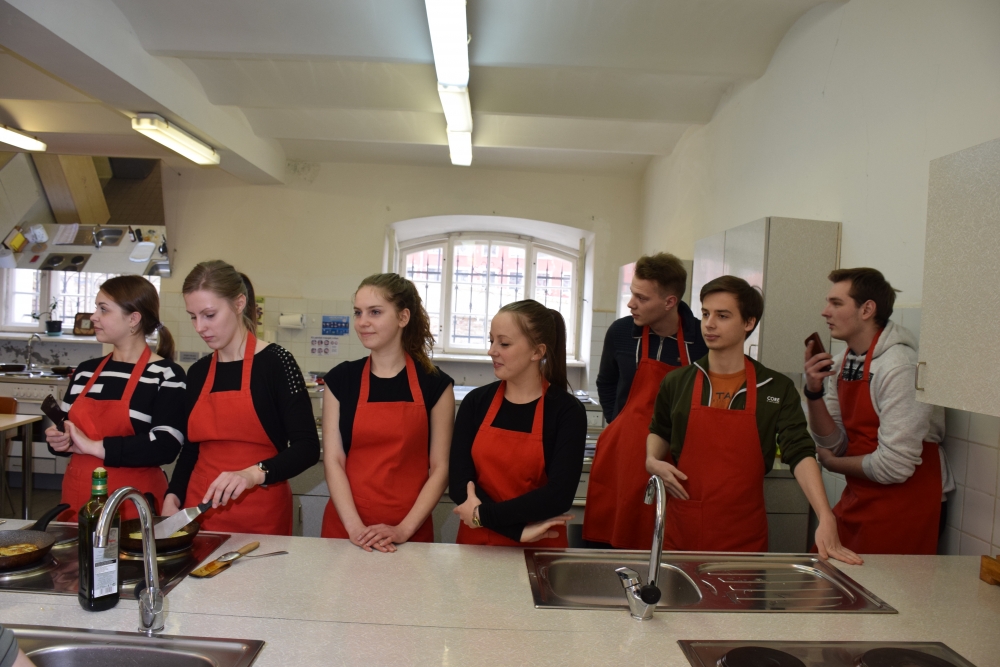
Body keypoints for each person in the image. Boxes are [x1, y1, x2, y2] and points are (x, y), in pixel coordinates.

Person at [646, 276, 861, 564]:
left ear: (749, 322)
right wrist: (651, 460)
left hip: (744, 535)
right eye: (706, 314)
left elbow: (799, 451)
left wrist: (825, 516)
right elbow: (659, 430)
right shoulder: (677, 382)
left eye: (723, 316)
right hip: (683, 530)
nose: (709, 324)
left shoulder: (775, 388)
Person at [162, 261, 319, 535]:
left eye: (209, 315)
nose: (199, 327)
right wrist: (173, 494)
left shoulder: (276, 363)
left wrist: (252, 474)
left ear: (239, 303)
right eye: (193, 316)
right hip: (201, 510)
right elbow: (191, 449)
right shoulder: (198, 372)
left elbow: (307, 447)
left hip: (261, 512)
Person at [804, 268, 950, 555]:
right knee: (823, 567)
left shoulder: (900, 367)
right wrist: (813, 392)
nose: (825, 311)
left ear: (867, 309)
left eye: (836, 303)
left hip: (905, 506)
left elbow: (894, 466)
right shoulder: (842, 362)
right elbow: (834, 443)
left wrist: (832, 464)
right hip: (861, 494)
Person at [321, 273, 455, 551]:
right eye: (358, 312)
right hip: (346, 528)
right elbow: (333, 459)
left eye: (375, 312)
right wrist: (355, 528)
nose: (362, 322)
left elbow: (441, 468)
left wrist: (404, 529)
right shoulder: (341, 380)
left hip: (409, 531)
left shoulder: (435, 385)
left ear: (403, 317)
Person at [585, 253, 708, 549]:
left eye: (641, 298)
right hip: (625, 455)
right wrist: (619, 424)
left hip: (677, 460)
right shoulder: (620, 333)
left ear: (669, 302)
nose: (631, 304)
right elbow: (606, 382)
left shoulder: (702, 341)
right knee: (617, 541)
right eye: (632, 293)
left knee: (667, 541)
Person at [46, 275, 186, 521]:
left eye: (103, 309)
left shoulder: (166, 375)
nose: (93, 316)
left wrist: (92, 446)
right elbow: (66, 428)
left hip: (133, 502)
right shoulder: (85, 371)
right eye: (96, 308)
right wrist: (59, 440)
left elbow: (165, 446)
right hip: (77, 499)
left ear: (133, 319)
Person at [450, 300, 587, 547]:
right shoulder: (476, 403)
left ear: (537, 352)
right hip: (478, 542)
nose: (492, 351)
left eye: (504, 343)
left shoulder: (567, 411)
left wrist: (482, 515)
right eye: (491, 340)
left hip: (540, 545)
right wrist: (516, 531)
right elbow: (459, 482)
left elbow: (558, 496)